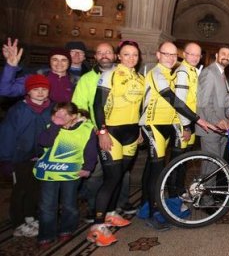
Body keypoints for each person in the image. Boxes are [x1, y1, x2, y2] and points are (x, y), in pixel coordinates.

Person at [140, 41, 213, 231]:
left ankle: (147, 206)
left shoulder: (171, 73)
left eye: (174, 55)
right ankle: (153, 212)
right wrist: (197, 121)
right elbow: (175, 101)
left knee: (156, 168)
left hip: (169, 124)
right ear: (158, 55)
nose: (171, 58)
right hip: (153, 124)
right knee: (157, 171)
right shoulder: (157, 73)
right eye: (167, 54)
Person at [89, 40, 144, 247]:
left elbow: (139, 108)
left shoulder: (140, 78)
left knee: (120, 175)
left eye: (135, 55)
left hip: (131, 133)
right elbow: (97, 105)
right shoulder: (109, 74)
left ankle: (111, 214)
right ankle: (96, 226)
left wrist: (139, 130)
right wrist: (102, 131)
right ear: (119, 56)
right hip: (111, 132)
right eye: (127, 54)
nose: (131, 58)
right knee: (111, 179)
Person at [71, 42, 134, 222]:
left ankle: (119, 204)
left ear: (115, 56)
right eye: (100, 53)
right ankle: (95, 209)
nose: (104, 55)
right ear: (95, 57)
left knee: (123, 172)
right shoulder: (86, 79)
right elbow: (80, 107)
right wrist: (99, 130)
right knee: (96, 172)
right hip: (95, 131)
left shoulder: (125, 75)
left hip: (122, 132)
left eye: (108, 52)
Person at [34, 102, 97, 250]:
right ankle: (46, 235)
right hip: (49, 173)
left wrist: (88, 167)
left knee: (69, 204)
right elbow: (45, 142)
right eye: (57, 114)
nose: (60, 117)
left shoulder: (86, 129)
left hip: (71, 172)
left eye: (64, 114)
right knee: (47, 206)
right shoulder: (51, 128)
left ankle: (66, 228)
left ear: (74, 116)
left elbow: (90, 150)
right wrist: (55, 126)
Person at [0, 75, 52, 237]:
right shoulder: (18, 110)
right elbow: (7, 134)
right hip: (20, 157)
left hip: (41, 157)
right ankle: (18, 222)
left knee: (36, 189)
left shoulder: (51, 109)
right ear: (28, 91)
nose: (40, 93)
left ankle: (31, 217)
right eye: (36, 89)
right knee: (20, 190)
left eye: (44, 89)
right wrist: (6, 159)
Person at [1, 38, 75, 103]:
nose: (59, 63)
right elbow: (5, 90)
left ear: (69, 63)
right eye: (55, 59)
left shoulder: (76, 82)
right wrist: (11, 66)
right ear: (50, 62)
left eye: (64, 60)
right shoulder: (36, 77)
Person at [197, 46, 229, 159]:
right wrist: (216, 121)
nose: (226, 57)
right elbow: (204, 102)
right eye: (223, 53)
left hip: (221, 128)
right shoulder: (209, 72)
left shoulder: (222, 74)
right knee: (210, 168)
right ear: (217, 56)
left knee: (217, 166)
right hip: (210, 128)